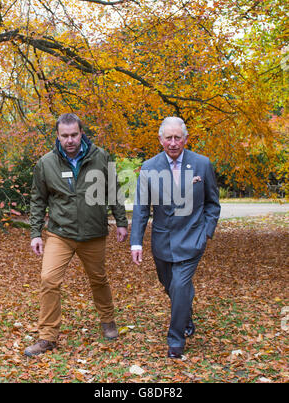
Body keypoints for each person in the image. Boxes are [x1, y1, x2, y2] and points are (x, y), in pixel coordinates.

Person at [25, 113, 128, 357]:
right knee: (49, 279)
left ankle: (108, 320)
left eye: (74, 135)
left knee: (98, 279)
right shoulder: (45, 163)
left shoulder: (101, 157)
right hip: (60, 233)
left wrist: (121, 222)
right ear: (58, 136)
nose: (70, 140)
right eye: (65, 136)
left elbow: (114, 190)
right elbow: (38, 199)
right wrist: (35, 233)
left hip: (93, 233)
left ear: (81, 133)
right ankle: (47, 337)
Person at [130, 117, 220, 359]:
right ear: (160, 140)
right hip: (162, 241)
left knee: (180, 285)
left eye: (177, 137)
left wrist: (206, 231)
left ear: (185, 139)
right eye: (168, 138)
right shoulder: (149, 167)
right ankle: (185, 313)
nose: (172, 142)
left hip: (192, 239)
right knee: (171, 286)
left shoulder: (202, 164)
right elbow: (141, 207)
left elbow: (213, 203)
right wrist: (136, 242)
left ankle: (176, 340)